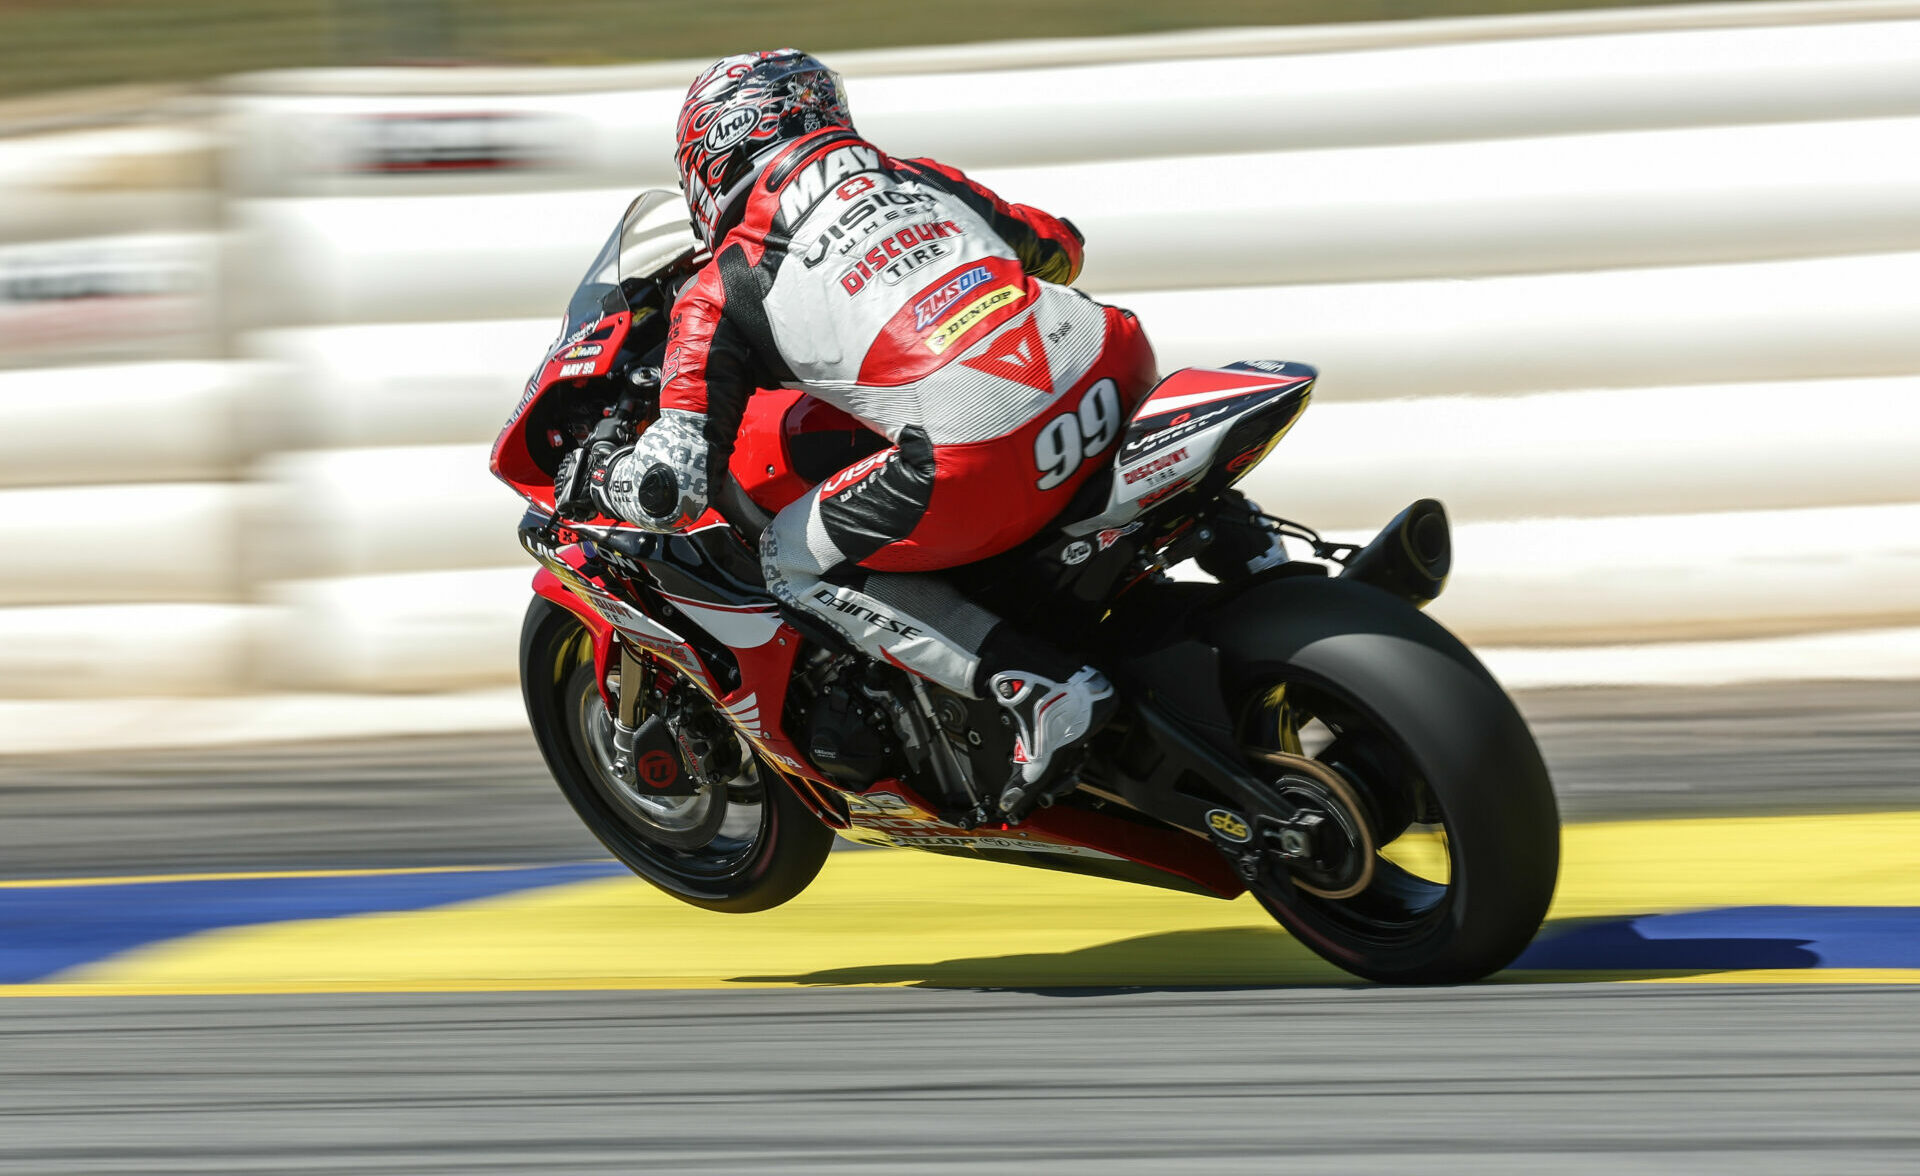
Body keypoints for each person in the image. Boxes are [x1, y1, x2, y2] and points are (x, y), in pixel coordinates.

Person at [575, 48, 1163, 816]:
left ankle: (1033, 686)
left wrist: (601, 473)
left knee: (789, 558)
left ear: (712, 154)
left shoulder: (726, 281)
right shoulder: (918, 175)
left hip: (985, 450)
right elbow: (1059, 248)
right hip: (1114, 361)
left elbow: (675, 479)